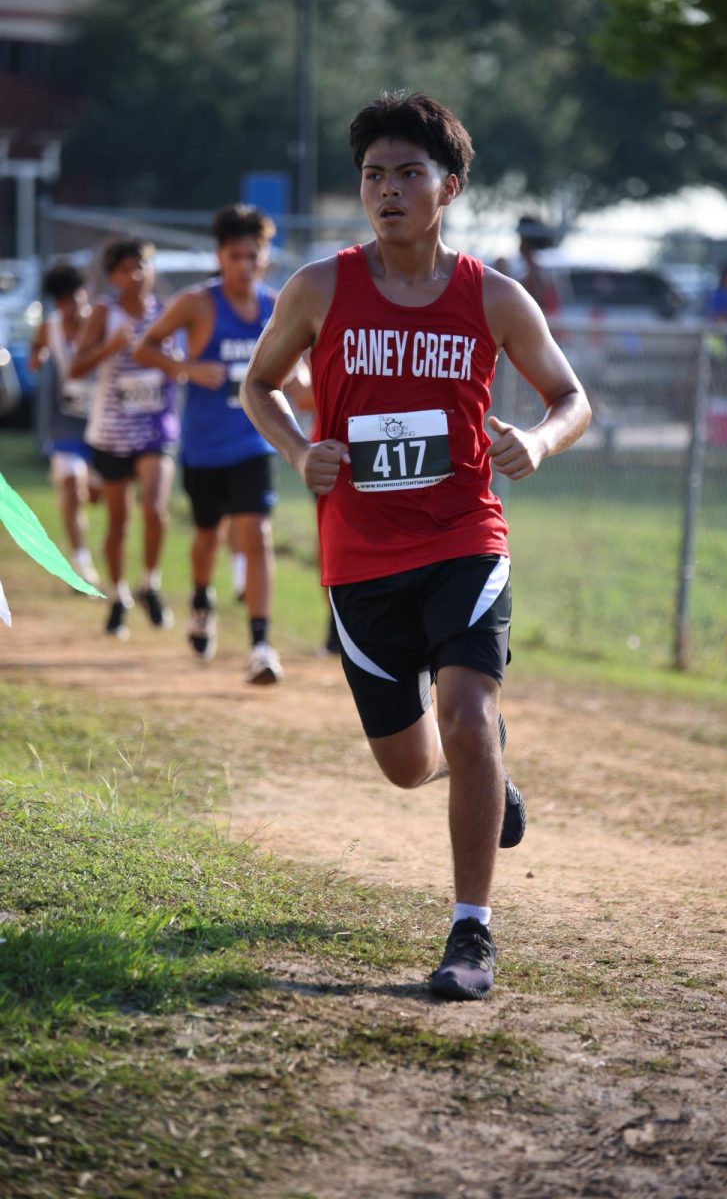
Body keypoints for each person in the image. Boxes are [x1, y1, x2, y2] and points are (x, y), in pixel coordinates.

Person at [241, 91, 591, 1001]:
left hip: (464, 538)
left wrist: (539, 443)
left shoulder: (494, 296)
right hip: (359, 558)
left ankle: (470, 933)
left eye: (406, 173)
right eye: (372, 175)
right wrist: (298, 449)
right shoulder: (319, 287)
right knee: (409, 766)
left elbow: (571, 396)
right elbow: (260, 385)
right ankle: (487, 764)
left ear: (450, 185)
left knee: (467, 716)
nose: (386, 189)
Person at [134, 204, 306, 685]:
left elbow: (299, 367)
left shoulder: (277, 307)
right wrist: (186, 369)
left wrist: (302, 381)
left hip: (254, 442)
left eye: (254, 255)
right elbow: (146, 346)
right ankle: (202, 599)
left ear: (265, 258)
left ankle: (260, 644)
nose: (246, 265)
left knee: (257, 535)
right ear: (220, 257)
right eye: (236, 256)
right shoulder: (197, 303)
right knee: (208, 536)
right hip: (204, 449)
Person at [70, 239, 178, 639]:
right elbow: (76, 368)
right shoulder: (104, 312)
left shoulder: (166, 311)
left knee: (154, 508)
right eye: (126, 270)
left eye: (143, 267)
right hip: (112, 433)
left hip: (156, 429)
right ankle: (118, 597)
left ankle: (149, 582)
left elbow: (180, 364)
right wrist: (110, 348)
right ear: (112, 275)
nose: (136, 276)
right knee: (119, 521)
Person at [27, 262, 100, 586]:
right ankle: (82, 563)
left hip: (102, 424)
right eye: (62, 301)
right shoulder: (50, 327)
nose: (69, 307)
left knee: (97, 494)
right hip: (64, 423)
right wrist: (36, 360)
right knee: (71, 486)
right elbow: (35, 352)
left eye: (73, 298)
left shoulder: (100, 323)